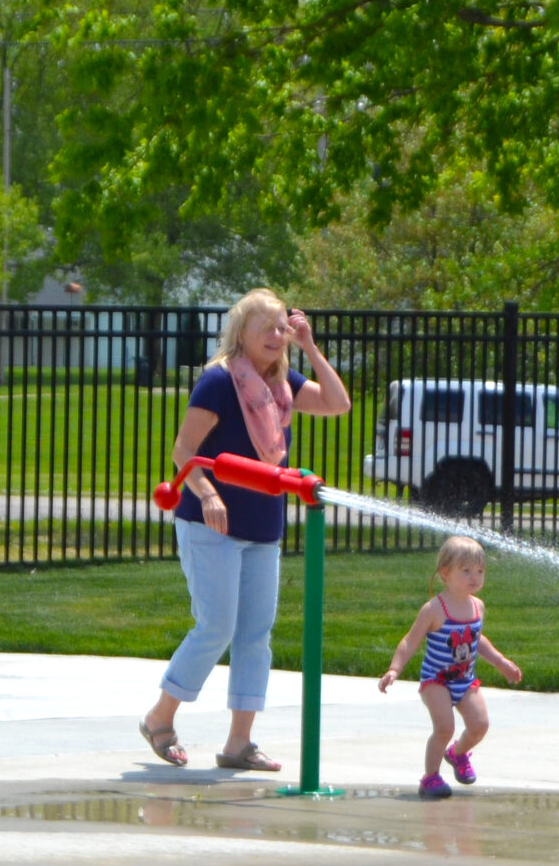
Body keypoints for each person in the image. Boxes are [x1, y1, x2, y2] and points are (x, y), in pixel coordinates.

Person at [138, 290, 352, 769]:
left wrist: (311, 348)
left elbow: (338, 404)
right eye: (267, 328)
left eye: (283, 327)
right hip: (210, 523)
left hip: (262, 524)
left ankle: (239, 744)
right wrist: (207, 492)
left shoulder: (282, 383)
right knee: (216, 626)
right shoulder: (218, 382)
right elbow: (183, 452)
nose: (278, 336)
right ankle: (160, 718)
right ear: (242, 334)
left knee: (255, 634)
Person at [381, 535, 524, 799]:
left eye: (480, 571)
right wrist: (394, 669)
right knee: (444, 727)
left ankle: (457, 754)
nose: (475, 577)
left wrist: (501, 662)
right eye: (466, 570)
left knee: (480, 724)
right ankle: (430, 777)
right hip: (436, 680)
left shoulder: (477, 606)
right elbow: (409, 641)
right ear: (445, 573)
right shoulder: (435, 609)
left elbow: (476, 639)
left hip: (464, 680)